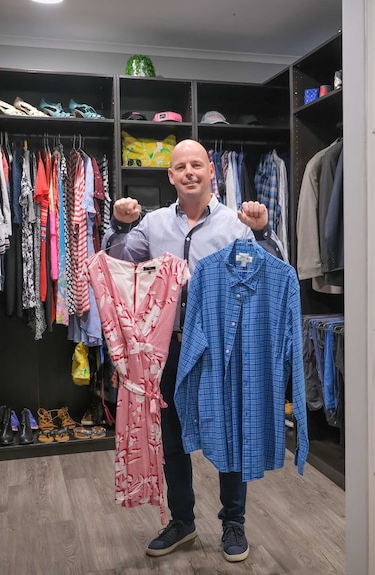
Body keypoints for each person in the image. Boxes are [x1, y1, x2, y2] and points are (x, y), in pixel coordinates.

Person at [103, 138, 285, 563]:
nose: (189, 172)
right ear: (170, 176)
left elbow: (271, 268)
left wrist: (262, 231)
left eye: (196, 165)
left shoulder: (235, 225)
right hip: (167, 350)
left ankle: (233, 522)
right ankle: (182, 522)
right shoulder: (152, 226)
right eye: (180, 166)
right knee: (172, 439)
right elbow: (118, 264)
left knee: (230, 433)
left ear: (211, 172)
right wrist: (122, 226)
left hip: (221, 349)